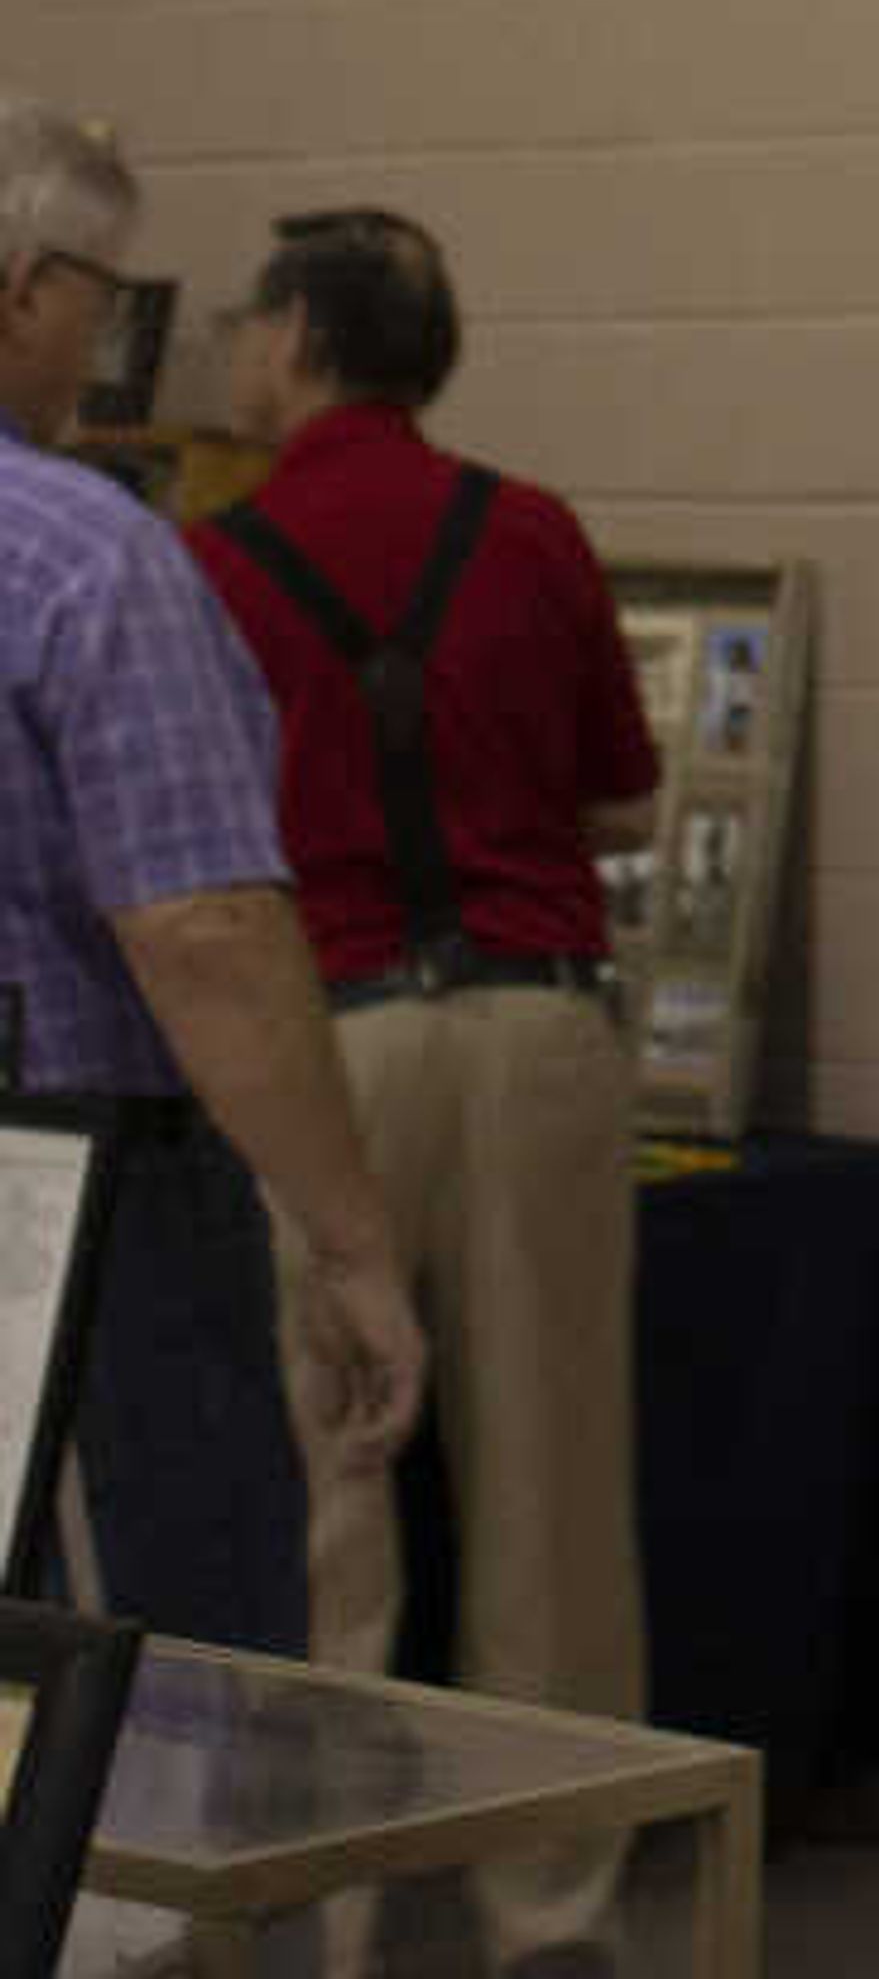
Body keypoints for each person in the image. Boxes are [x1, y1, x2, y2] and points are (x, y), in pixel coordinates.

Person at [198, 205, 660, 1931]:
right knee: (555, 1494)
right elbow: (626, 802)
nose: (236, 351)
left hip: (341, 1047)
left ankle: (329, 1916)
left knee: (338, 1492)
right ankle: (555, 1906)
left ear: (305, 342)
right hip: (540, 1031)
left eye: (250, 322)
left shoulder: (221, 560)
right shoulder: (530, 532)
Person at [0, 102, 426, 1646]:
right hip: (70, 1201)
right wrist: (353, 1245)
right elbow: (208, 933)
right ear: (26, 288)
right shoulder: (84, 556)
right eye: (101, 303)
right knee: (160, 1694)